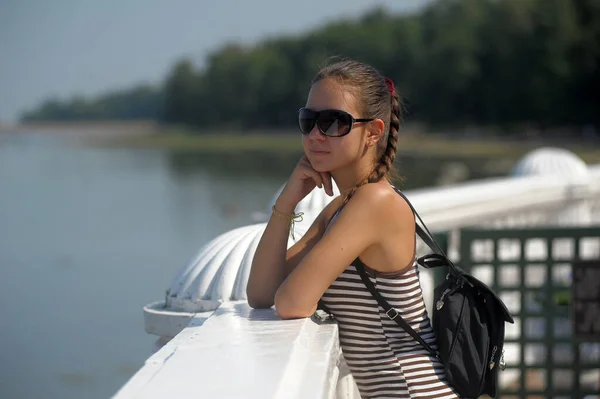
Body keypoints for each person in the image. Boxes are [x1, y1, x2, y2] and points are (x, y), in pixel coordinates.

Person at [247, 58, 458, 399]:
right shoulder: (342, 208)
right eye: (309, 120)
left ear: (373, 132)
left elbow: (290, 302)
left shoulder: (375, 203)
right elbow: (260, 293)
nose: (316, 134)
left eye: (333, 122)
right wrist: (286, 203)